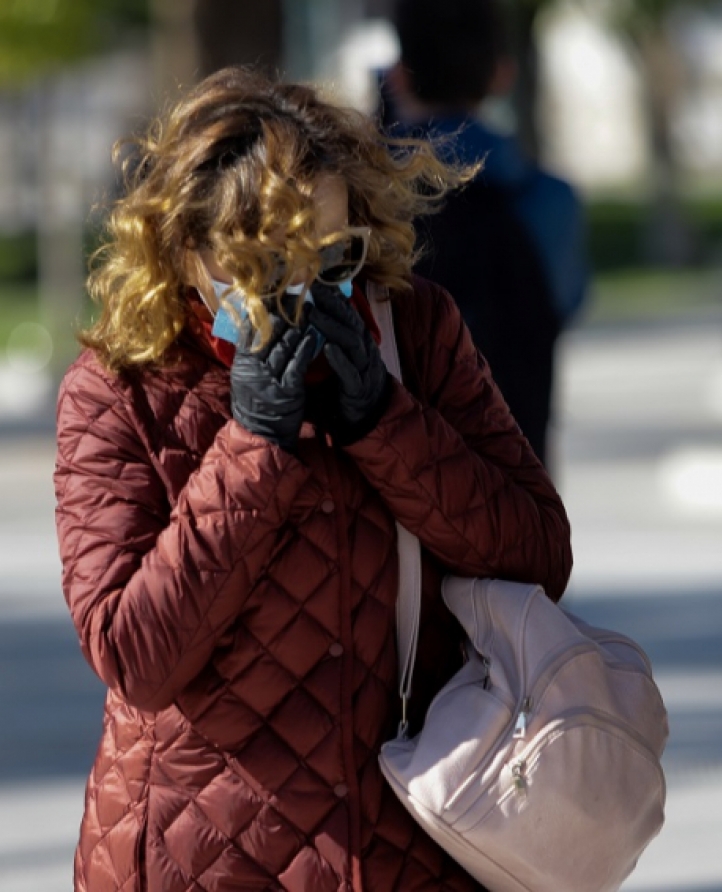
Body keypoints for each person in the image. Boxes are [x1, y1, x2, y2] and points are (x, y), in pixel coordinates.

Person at [53, 66, 572, 892]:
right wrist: (252, 447)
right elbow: (135, 654)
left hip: (403, 844)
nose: (305, 290)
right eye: (264, 266)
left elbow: (539, 555)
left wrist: (385, 423)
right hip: (200, 855)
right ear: (185, 247)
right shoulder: (121, 385)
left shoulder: (414, 328)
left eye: (332, 257)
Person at [379, 0, 590, 467]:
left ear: (397, 77)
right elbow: (566, 302)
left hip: (397, 471)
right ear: (503, 74)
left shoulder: (367, 200)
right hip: (517, 461)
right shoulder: (551, 200)